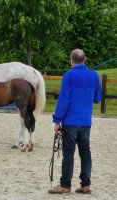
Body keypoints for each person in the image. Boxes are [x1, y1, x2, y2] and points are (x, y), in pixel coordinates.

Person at [48, 49, 102, 194]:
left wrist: (57, 120)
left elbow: (64, 100)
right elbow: (97, 99)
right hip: (85, 122)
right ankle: (86, 184)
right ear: (85, 59)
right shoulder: (94, 75)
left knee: (68, 153)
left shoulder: (69, 75)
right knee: (85, 153)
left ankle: (65, 185)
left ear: (72, 60)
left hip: (71, 121)